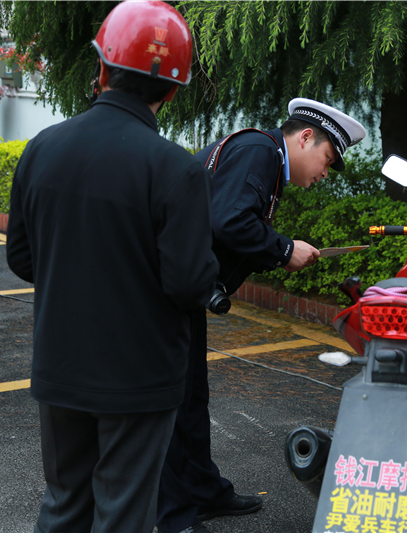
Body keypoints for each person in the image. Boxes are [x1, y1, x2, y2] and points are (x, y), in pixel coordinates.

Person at [6, 2, 219, 532]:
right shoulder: (175, 169)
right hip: (140, 377)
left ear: (101, 68)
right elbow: (190, 283)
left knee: (63, 504)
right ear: (172, 91)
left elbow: (20, 257)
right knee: (124, 513)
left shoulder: (41, 149)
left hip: (60, 365)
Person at [156, 98, 366, 533]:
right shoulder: (261, 152)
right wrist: (285, 249)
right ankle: (176, 514)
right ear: (305, 137)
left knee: (192, 398)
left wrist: (280, 249)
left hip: (184, 293)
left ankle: (204, 492)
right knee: (173, 404)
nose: (324, 173)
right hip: (164, 295)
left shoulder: (262, 154)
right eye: (327, 160)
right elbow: (229, 220)